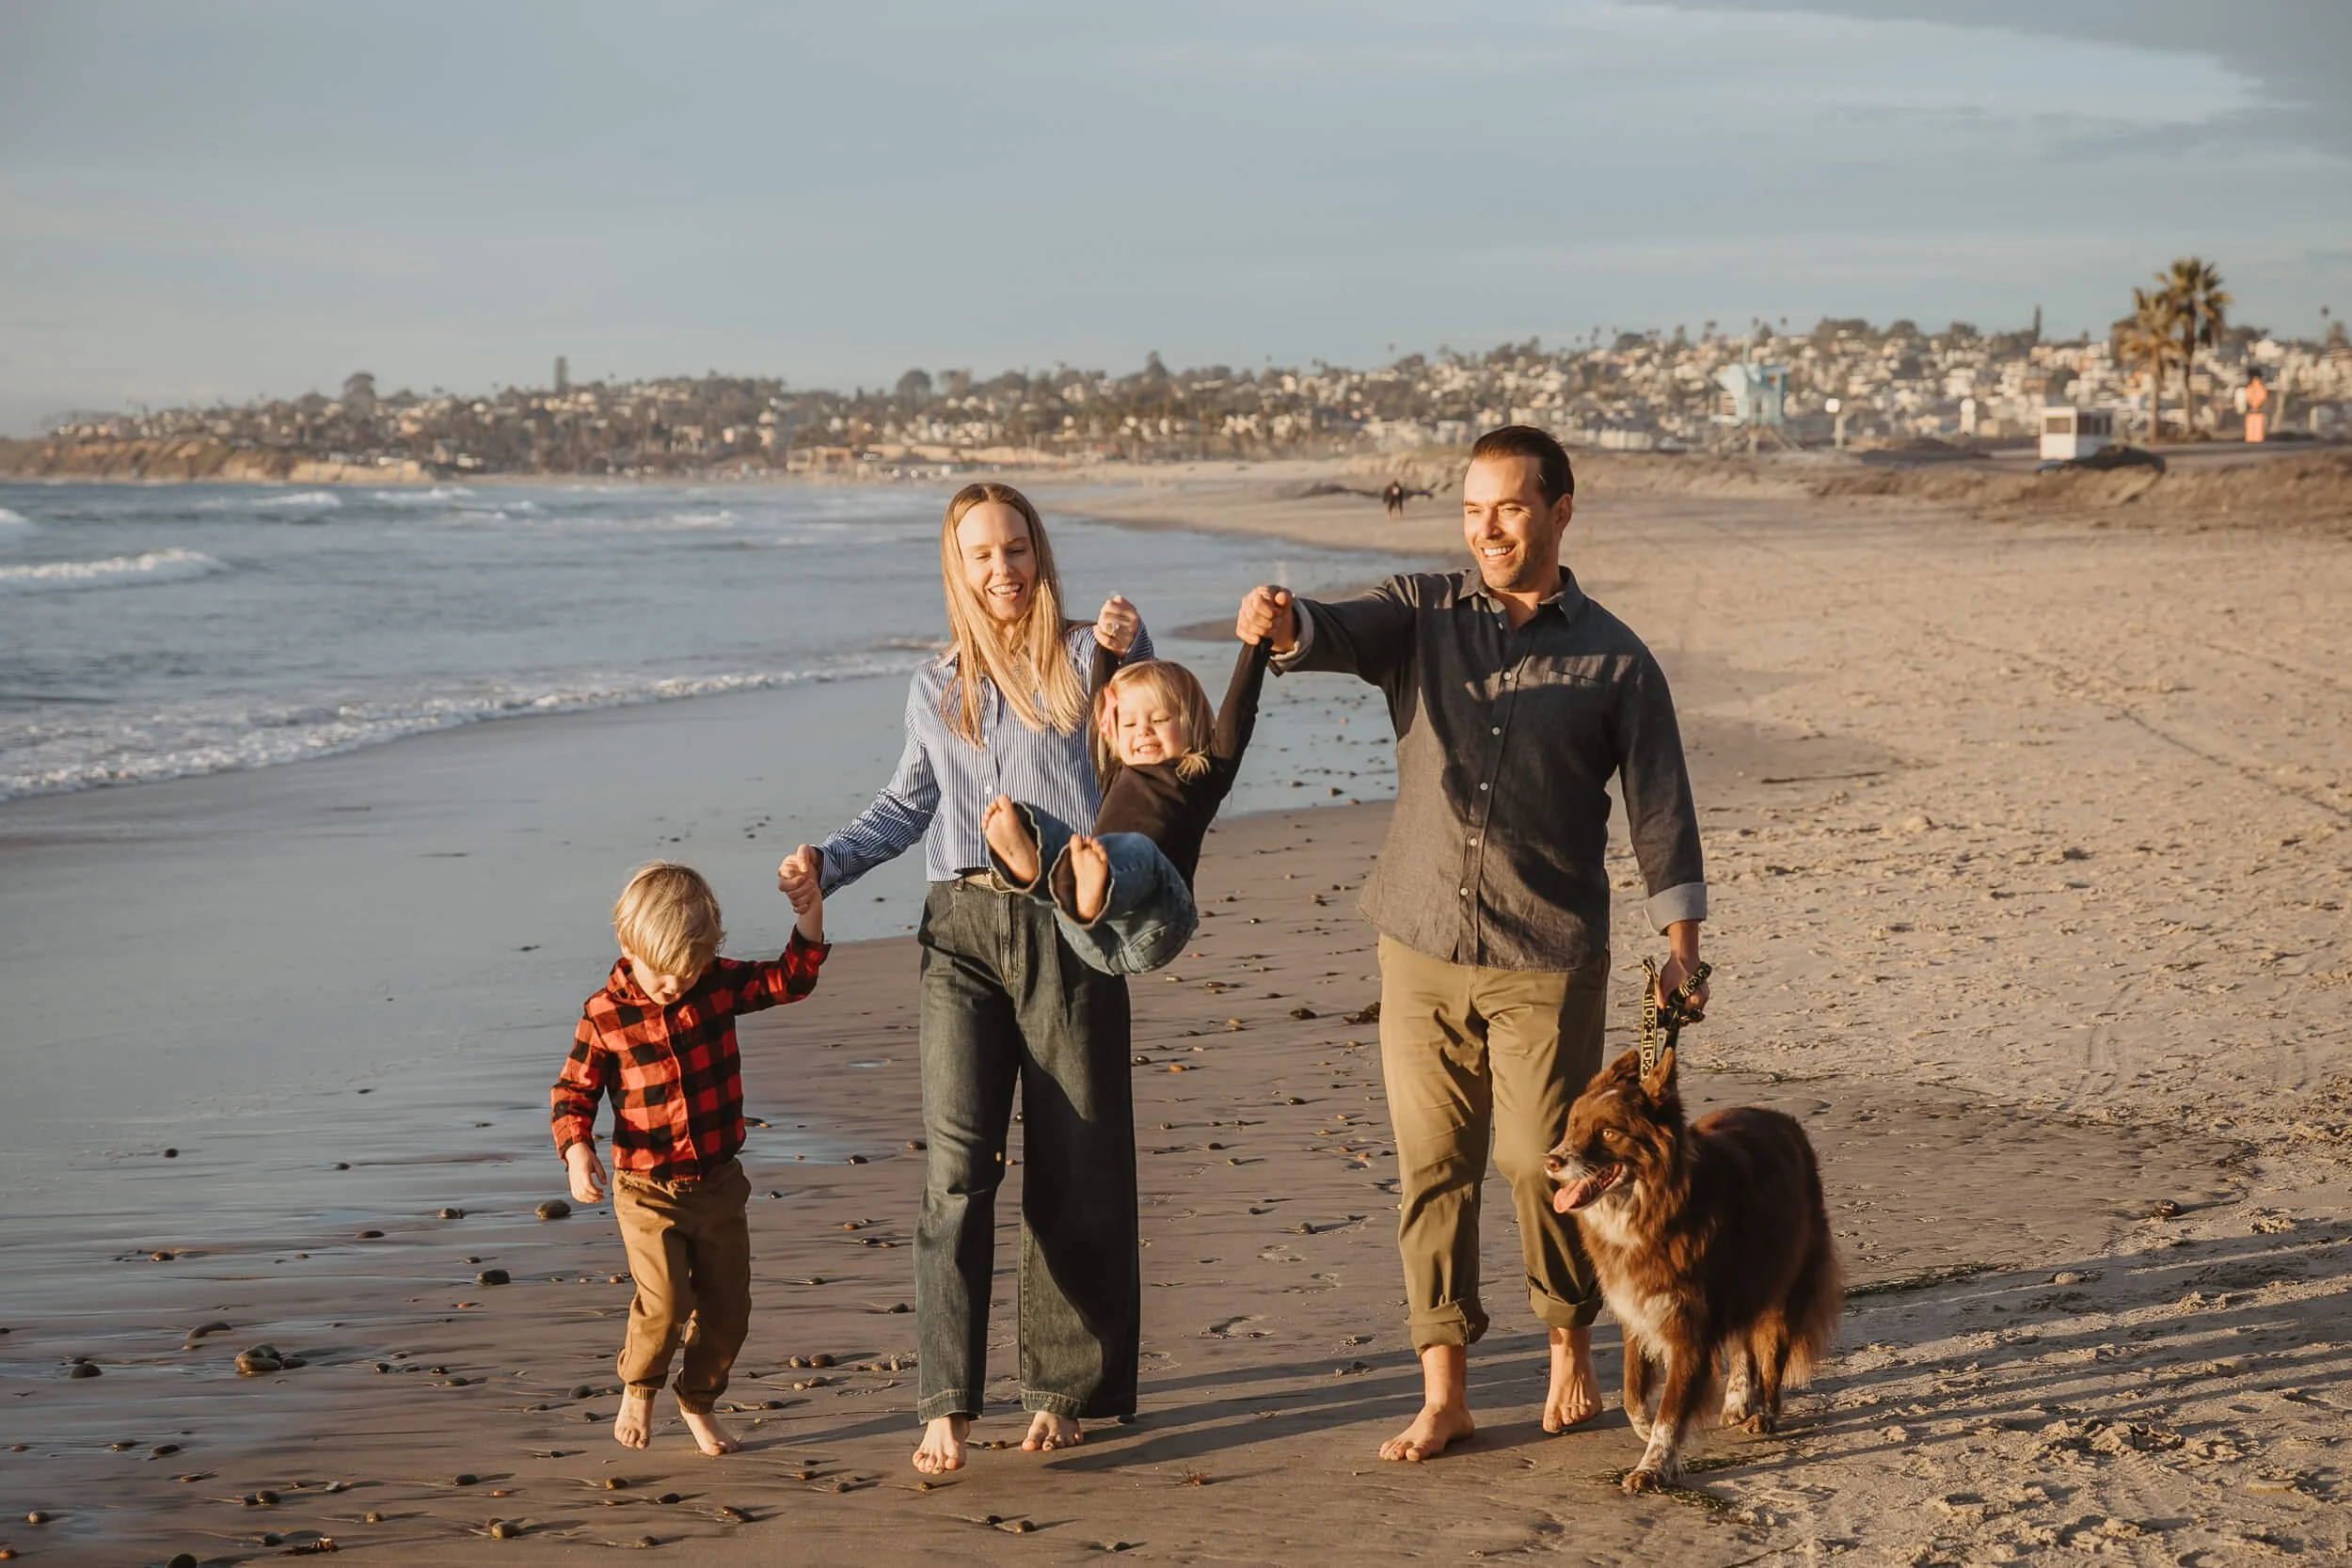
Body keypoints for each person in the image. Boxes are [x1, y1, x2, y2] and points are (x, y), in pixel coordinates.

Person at [1235, 424, 1710, 1463]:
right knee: (1430, 1167)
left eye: (1507, 506)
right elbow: (1331, 632)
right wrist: (1282, 624)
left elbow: (1660, 807)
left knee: (1544, 1162)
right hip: (1416, 941)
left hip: (1547, 954)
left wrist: (1681, 942)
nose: (1485, 528)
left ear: (1558, 511)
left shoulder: (1617, 658)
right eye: (1470, 508)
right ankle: (1443, 1389)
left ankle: (1566, 1342)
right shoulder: (1419, 616)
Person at [775, 483, 1148, 1475]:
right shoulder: (936, 683)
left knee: (1075, 1160)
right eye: (982, 554)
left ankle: (1064, 1387)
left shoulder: (1084, 656)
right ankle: (946, 1401)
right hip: (960, 931)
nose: (1003, 570)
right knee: (954, 1171)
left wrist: (1133, 650)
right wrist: (827, 863)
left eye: (1017, 548)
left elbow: (1149, 748)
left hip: (1066, 919)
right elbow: (905, 807)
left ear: (1039, 553)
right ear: (957, 567)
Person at [550, 860, 830, 1457]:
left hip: (720, 1185)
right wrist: (578, 1149)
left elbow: (791, 980)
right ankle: (640, 1384)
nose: (675, 986)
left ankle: (697, 1400)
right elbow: (574, 1092)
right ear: (629, 945)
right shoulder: (604, 1014)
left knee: (729, 1310)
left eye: (689, 970)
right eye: (662, 975)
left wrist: (810, 910)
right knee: (668, 1304)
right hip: (645, 1189)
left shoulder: (715, 984)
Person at [979, 634, 1273, 974]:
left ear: (1191, 723)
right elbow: (1097, 712)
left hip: (1158, 921)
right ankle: (1035, 867)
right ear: (1112, 732)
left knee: (1135, 848)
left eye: (1160, 720)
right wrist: (1108, 648)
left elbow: (1239, 712)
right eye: (1130, 724)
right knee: (1060, 840)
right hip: (1089, 933)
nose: (1144, 731)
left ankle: (1088, 882)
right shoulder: (1113, 773)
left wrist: (1257, 643)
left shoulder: (1205, 774)